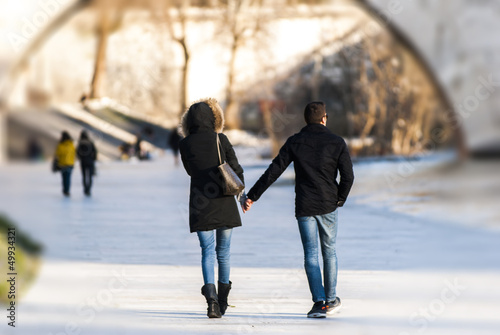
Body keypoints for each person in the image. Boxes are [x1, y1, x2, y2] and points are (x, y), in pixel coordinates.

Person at [243, 101, 354, 318]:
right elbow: (348, 176)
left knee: (311, 254)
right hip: (328, 205)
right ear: (324, 119)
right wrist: (339, 199)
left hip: (304, 206)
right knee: (329, 250)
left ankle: (319, 301)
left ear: (306, 119)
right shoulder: (336, 142)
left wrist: (253, 196)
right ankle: (330, 300)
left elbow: (273, 171)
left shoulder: (295, 141)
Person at [179, 98, 244, 319]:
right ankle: (223, 300)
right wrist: (242, 194)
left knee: (207, 252)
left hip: (200, 204)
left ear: (189, 121)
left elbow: (190, 171)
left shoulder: (185, 144)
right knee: (223, 252)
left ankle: (212, 302)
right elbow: (235, 168)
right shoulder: (220, 139)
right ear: (213, 118)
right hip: (224, 201)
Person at [54, 131, 76, 197]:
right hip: (70, 164)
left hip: (62, 164)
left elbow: (57, 154)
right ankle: (67, 190)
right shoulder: (71, 144)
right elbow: (73, 153)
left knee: (64, 178)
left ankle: (65, 190)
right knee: (68, 178)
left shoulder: (61, 144)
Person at [77, 130, 98, 196]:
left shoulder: (80, 143)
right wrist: (93, 159)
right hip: (90, 161)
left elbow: (77, 152)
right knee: (90, 176)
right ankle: (88, 189)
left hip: (83, 162)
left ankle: (85, 189)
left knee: (84, 176)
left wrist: (81, 158)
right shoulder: (90, 142)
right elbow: (95, 151)